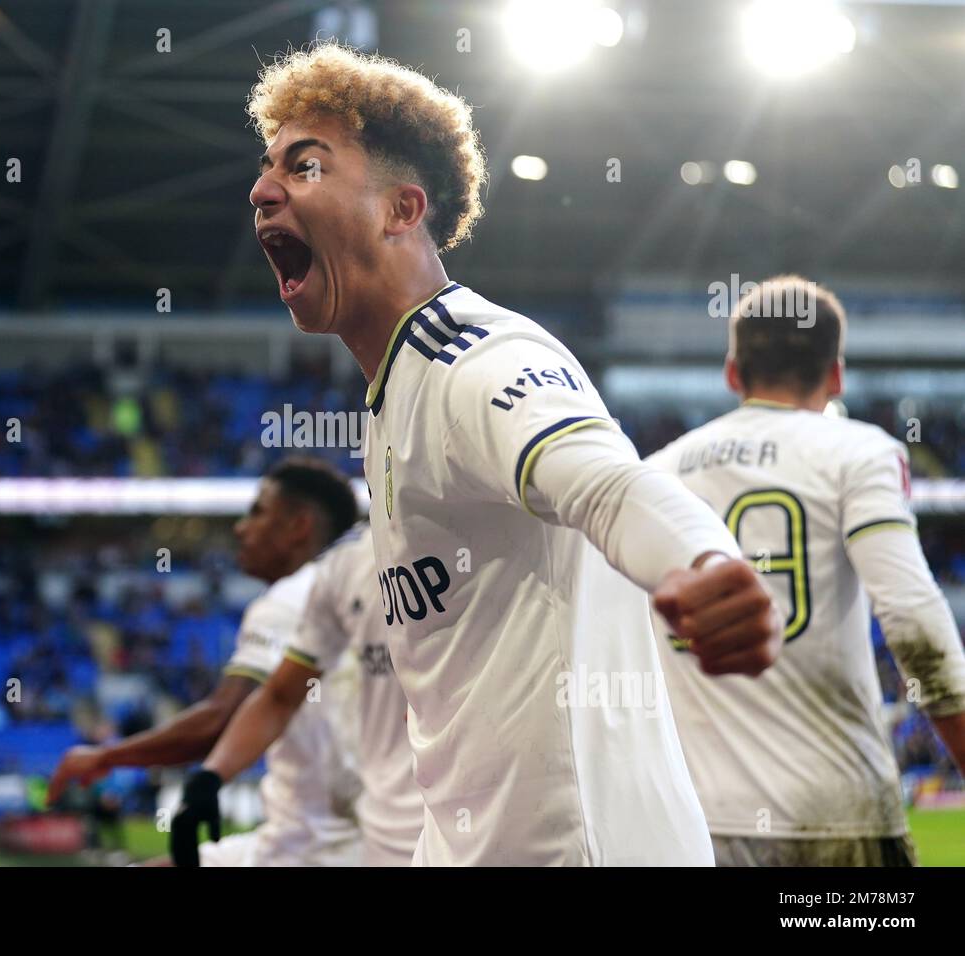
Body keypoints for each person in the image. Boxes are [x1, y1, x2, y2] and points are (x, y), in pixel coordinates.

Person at [245, 43, 783, 865]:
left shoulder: (472, 357)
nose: (263, 190)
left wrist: (702, 561)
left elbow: (605, 483)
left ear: (400, 210)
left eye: (305, 165)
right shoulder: (394, 394)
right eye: (268, 167)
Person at [646, 275, 965, 866]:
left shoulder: (656, 473)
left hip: (693, 827)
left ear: (733, 374)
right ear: (836, 374)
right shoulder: (859, 452)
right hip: (833, 816)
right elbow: (913, 616)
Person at [48, 458, 362, 866]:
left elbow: (223, 719)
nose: (240, 528)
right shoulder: (361, 587)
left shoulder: (289, 599)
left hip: (317, 848)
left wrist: (105, 757)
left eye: (258, 512)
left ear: (299, 525)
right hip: (356, 832)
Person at [174, 522, 421, 866]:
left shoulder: (491, 540)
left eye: (259, 513)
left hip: (474, 819)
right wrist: (211, 777)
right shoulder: (346, 566)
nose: (242, 527)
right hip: (382, 832)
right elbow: (281, 696)